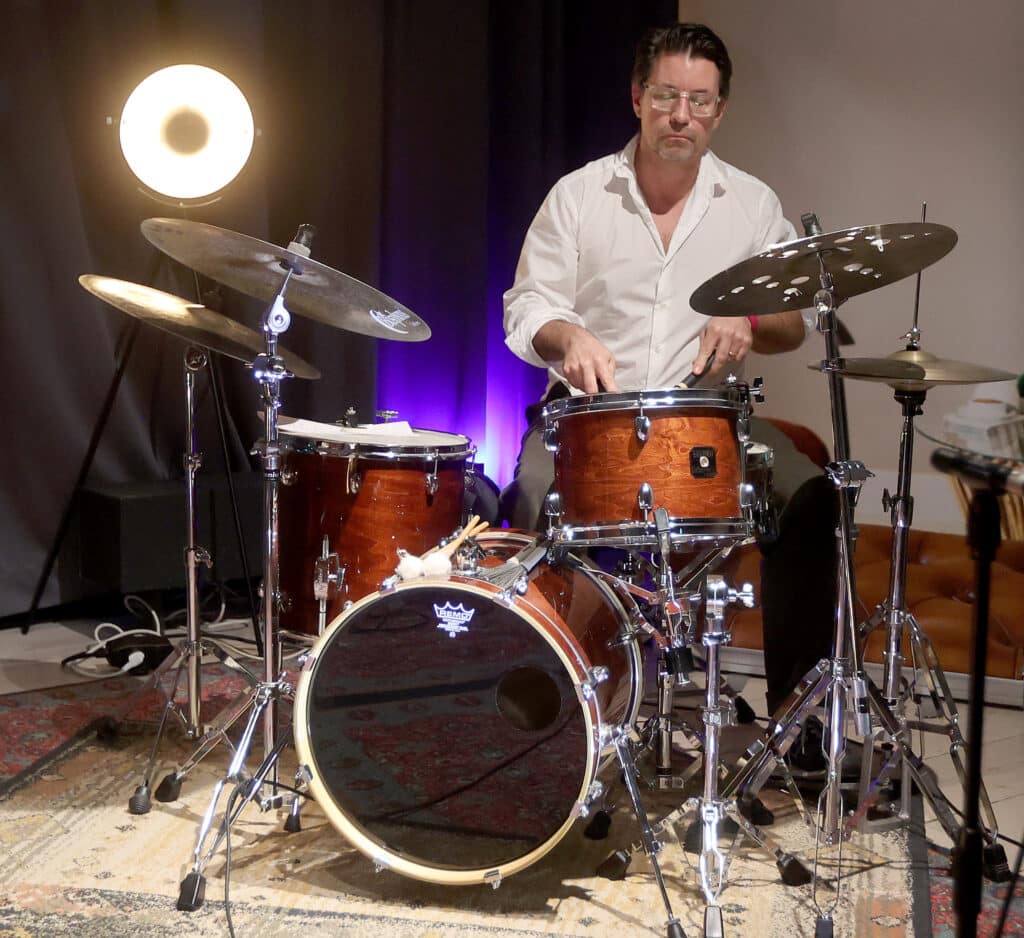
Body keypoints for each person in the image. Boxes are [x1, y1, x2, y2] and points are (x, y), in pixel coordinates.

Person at [500, 22, 838, 726]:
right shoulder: (579, 195)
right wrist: (568, 335)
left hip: (707, 421)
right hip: (588, 416)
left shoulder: (751, 205)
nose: (681, 115)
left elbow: (794, 320)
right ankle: (541, 706)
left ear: (719, 110)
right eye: (666, 96)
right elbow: (527, 306)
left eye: (699, 101)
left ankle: (796, 717)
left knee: (811, 498)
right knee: (530, 493)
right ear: (637, 98)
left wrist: (747, 320)